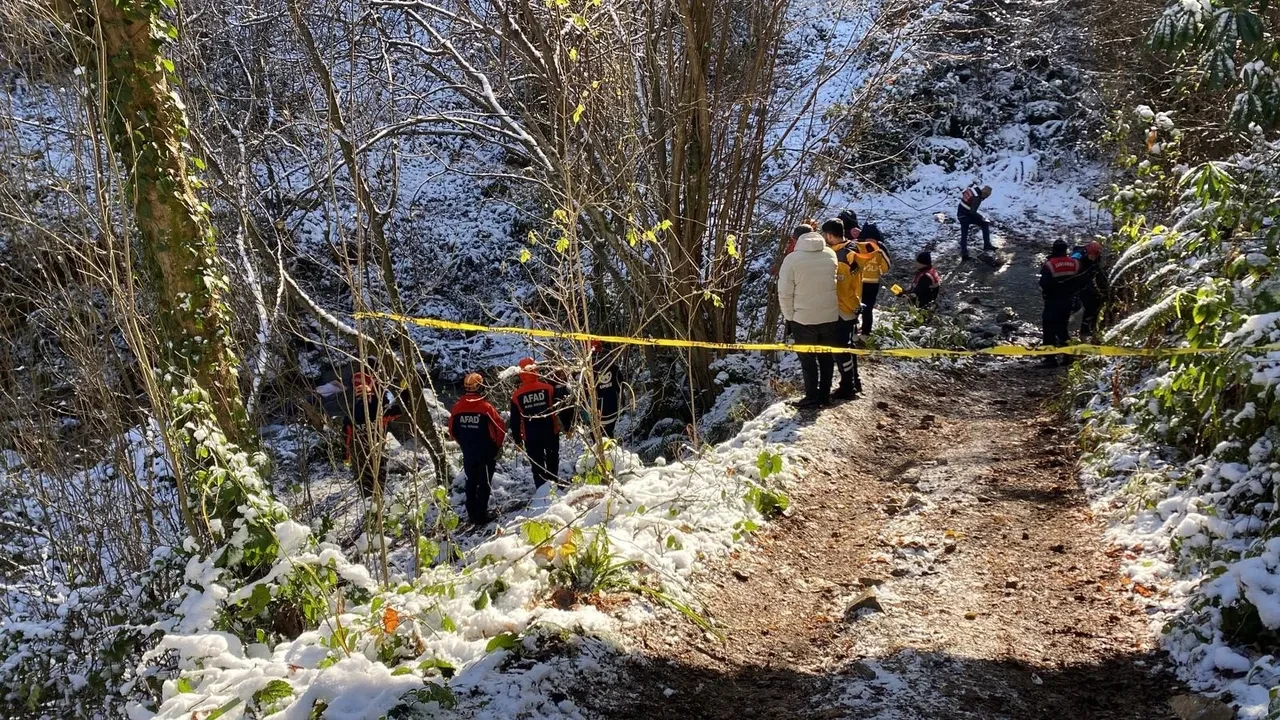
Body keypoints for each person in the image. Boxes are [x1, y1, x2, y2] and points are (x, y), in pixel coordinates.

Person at [778, 223, 840, 408]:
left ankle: (811, 397)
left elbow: (785, 293)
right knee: (826, 357)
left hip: (803, 319)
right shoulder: (830, 254)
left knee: (808, 360)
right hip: (829, 316)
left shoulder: (792, 260)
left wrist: (789, 317)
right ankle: (825, 395)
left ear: (796, 240)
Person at [448, 373, 506, 525]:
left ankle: (472, 514)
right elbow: (500, 428)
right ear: (481, 386)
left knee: (471, 482)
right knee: (484, 483)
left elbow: (452, 431)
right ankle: (481, 516)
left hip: (468, 452)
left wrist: (465, 444)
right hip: (486, 452)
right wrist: (497, 447)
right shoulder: (486, 407)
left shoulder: (457, 408)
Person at [821, 218, 863, 399]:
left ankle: (847, 386)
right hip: (852, 305)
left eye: (825, 235)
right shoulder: (853, 248)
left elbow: (843, 290)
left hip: (842, 308)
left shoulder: (841, 258)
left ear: (830, 235)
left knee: (840, 347)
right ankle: (855, 381)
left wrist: (853, 307)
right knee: (849, 346)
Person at [510, 358, 564, 487]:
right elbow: (561, 408)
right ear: (535, 370)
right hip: (550, 431)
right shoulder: (549, 388)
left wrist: (517, 440)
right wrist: (567, 427)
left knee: (537, 463)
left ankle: (541, 489)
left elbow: (515, 420)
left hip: (531, 435)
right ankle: (554, 485)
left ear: (521, 373)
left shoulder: (516, 396)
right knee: (552, 459)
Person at [343, 363, 386, 497]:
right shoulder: (378, 409)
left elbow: (347, 437)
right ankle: (380, 503)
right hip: (378, 449)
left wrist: (346, 457)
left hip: (361, 454)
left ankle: (370, 508)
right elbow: (395, 413)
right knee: (380, 478)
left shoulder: (351, 412)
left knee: (365, 486)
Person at [1039, 239, 1082, 364]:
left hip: (1052, 301)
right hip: (1068, 301)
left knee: (1048, 328)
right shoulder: (1075, 263)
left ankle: (1050, 358)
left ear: (1054, 249)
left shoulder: (1050, 264)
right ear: (1065, 250)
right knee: (1062, 328)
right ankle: (1068, 356)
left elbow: (1043, 284)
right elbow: (1080, 281)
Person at [853, 224, 891, 336]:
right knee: (868, 308)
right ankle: (866, 332)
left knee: (854, 306)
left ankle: (853, 332)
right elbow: (886, 266)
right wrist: (877, 271)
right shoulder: (880, 248)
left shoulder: (856, 245)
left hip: (858, 282)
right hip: (873, 283)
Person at [589, 341, 624, 437]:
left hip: (598, 409)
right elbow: (621, 384)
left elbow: (586, 390)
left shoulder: (590, 369)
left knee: (599, 436)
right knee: (609, 433)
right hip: (613, 405)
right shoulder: (613, 365)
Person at [1075, 241, 1108, 340]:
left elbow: (1098, 269)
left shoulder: (1097, 257)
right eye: (1092, 255)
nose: (1094, 257)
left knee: (1094, 306)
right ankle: (1084, 331)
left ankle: (1091, 330)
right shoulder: (1078, 256)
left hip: (1090, 283)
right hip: (1079, 284)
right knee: (1085, 307)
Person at [957, 184, 993, 261]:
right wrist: (982, 218)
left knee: (964, 234)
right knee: (985, 223)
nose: (985, 198)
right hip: (966, 216)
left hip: (960, 213)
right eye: (986, 197)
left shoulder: (972, 190)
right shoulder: (977, 198)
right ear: (984, 194)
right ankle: (987, 245)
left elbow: (964, 193)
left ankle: (964, 254)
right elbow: (972, 213)